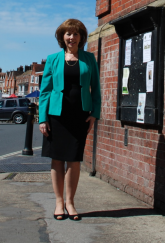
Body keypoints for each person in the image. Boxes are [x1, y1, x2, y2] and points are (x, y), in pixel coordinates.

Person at [39, 18, 101, 221]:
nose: (71, 37)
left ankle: (70, 203)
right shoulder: (53, 59)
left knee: (74, 159)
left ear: (81, 37)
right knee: (57, 158)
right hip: (56, 116)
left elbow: (96, 89)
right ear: (62, 37)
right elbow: (45, 91)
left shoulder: (89, 59)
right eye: (68, 33)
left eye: (75, 34)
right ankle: (59, 202)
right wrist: (42, 118)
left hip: (79, 115)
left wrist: (95, 113)